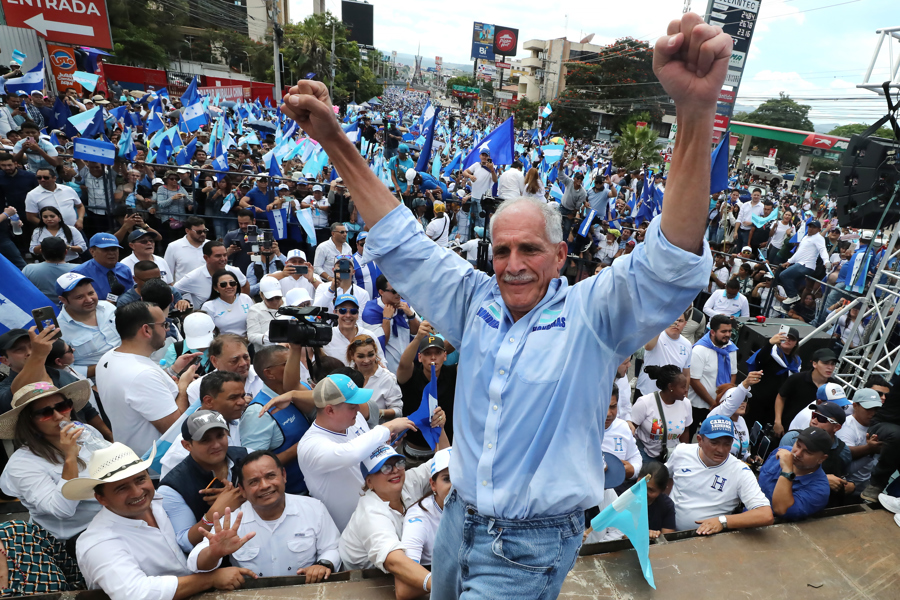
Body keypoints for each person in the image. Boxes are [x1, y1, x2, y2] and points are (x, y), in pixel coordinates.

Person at [280, 16, 728, 596]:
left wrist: (695, 113)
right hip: (457, 520)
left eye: (530, 249)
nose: (513, 263)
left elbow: (670, 260)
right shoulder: (475, 301)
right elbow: (404, 242)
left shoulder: (595, 314)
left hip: (530, 544)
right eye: (501, 250)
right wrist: (335, 141)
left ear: (562, 255)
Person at [61, 442, 257, 600]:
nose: (137, 492)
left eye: (140, 479)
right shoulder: (98, 542)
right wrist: (210, 579)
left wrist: (211, 554)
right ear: (101, 499)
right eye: (122, 488)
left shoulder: (158, 503)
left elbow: (185, 552)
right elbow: (135, 594)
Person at [187, 451, 342, 583]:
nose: (265, 485)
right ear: (242, 489)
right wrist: (214, 553)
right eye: (254, 482)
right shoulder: (231, 520)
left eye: (270, 476)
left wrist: (323, 564)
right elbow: (195, 562)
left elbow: (332, 548)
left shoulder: (314, 508)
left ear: (284, 476)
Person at [295, 373, 416, 531]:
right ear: (330, 410)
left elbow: (365, 454)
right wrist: (387, 428)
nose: (358, 409)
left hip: (382, 516)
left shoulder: (354, 418)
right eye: (352, 406)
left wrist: (384, 444)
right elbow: (350, 454)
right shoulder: (309, 445)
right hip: (350, 534)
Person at [0, 381, 102, 541]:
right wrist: (70, 459)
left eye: (63, 406)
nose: (59, 416)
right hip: (75, 537)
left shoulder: (86, 432)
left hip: (114, 518)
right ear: (29, 422)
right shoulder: (21, 465)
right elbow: (62, 510)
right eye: (45, 412)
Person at [95, 301, 200, 456]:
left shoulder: (108, 358)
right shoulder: (142, 374)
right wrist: (183, 386)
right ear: (146, 330)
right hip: (158, 465)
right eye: (164, 324)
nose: (168, 329)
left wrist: (173, 370)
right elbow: (174, 429)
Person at [338, 445, 438, 594]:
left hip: (400, 568)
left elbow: (442, 463)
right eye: (385, 467)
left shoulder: (406, 481)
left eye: (399, 463)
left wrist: (440, 430)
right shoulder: (371, 513)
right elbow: (394, 561)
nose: (395, 470)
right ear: (369, 482)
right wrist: (442, 586)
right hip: (363, 581)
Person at [158, 410, 248, 553]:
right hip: (217, 565)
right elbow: (184, 543)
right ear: (187, 445)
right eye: (205, 440)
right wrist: (214, 513)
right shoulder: (171, 488)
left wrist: (242, 496)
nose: (216, 445)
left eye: (220, 436)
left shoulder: (247, 456)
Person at [666, 415, 774, 533]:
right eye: (714, 443)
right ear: (700, 440)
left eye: (727, 444)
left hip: (707, 539)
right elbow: (666, 478)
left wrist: (722, 521)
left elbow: (765, 514)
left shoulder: (740, 471)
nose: (721, 450)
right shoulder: (682, 452)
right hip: (667, 531)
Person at [240, 345, 312, 495]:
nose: (294, 366)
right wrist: (303, 445)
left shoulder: (302, 388)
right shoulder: (257, 412)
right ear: (269, 373)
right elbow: (255, 466)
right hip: (295, 495)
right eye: (287, 363)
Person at [397, 330, 455, 463]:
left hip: (445, 452)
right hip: (413, 455)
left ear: (445, 356)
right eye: (427, 354)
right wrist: (418, 338)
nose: (433, 357)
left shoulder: (453, 373)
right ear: (419, 357)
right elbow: (403, 364)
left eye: (438, 353)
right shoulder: (410, 376)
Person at [55, 272, 121, 379]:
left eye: (91, 293)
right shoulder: (58, 331)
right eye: (79, 297)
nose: (89, 300)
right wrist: (107, 366)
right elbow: (65, 369)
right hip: (97, 382)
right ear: (63, 300)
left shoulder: (108, 307)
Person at [757, 426, 831, 520]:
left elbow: (780, 509)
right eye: (798, 445)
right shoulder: (782, 451)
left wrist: (787, 471)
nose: (798, 453)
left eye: (807, 452)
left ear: (822, 459)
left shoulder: (820, 490)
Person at [400, 448, 452, 568]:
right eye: (447, 479)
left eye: (460, 477)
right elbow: (409, 568)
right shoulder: (419, 516)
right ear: (433, 484)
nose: (454, 485)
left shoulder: (480, 508)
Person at [629, 365, 692, 462]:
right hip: (645, 455)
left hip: (671, 456)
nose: (686, 390)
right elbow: (630, 430)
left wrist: (685, 455)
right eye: (683, 387)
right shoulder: (645, 403)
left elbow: (686, 431)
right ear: (671, 387)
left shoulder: (686, 404)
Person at [688, 314, 738, 436]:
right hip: (697, 406)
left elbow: (733, 374)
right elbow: (694, 380)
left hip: (719, 405)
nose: (728, 334)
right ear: (712, 332)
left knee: (712, 440)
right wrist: (713, 403)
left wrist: (724, 399)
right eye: (723, 331)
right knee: (689, 439)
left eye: (730, 331)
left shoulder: (731, 348)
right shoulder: (699, 350)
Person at [742, 329, 801, 430]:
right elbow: (760, 359)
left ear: (796, 343)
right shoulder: (771, 353)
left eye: (792, 339)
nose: (788, 340)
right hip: (758, 401)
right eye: (786, 337)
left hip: (775, 405)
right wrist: (769, 343)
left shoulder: (796, 362)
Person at [362, 275, 420, 373]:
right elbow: (380, 343)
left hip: (409, 365)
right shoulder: (371, 311)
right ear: (381, 292)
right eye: (394, 291)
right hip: (388, 368)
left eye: (399, 289)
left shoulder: (405, 305)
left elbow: (416, 332)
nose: (398, 294)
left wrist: (410, 315)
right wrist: (386, 319)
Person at [774, 348, 837, 437]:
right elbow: (781, 397)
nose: (830, 367)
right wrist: (778, 421)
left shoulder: (834, 386)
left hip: (814, 434)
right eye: (825, 363)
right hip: (788, 429)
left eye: (833, 364)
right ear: (814, 364)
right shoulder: (797, 379)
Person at [174, 241, 249, 307]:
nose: (223, 259)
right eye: (218, 256)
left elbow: (245, 284)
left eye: (225, 255)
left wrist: (240, 303)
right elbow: (173, 291)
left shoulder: (235, 271)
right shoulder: (193, 277)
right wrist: (184, 301)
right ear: (206, 258)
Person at [834, 388, 882, 492]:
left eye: (876, 409)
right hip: (848, 486)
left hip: (867, 483)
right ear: (855, 406)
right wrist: (870, 449)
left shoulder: (878, 425)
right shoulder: (846, 427)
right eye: (868, 409)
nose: (873, 413)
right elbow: (845, 455)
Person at [709, 370, 763, 459]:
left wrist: (749, 458)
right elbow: (730, 405)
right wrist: (745, 384)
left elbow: (742, 451)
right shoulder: (717, 416)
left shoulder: (741, 421)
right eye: (738, 399)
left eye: (745, 399)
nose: (742, 402)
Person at [635, 313, 691, 397]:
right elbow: (648, 347)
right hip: (646, 392)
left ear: (685, 323)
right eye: (673, 319)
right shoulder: (657, 335)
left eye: (680, 321)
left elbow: (686, 374)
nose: (676, 323)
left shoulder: (687, 344)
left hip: (669, 396)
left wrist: (684, 394)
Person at [348, 333, 403, 420]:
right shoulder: (347, 375)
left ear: (376, 353)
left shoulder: (387, 378)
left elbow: (398, 411)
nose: (366, 360)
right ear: (352, 356)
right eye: (361, 356)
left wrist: (373, 412)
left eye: (370, 355)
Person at [72, 233, 134, 303]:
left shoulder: (124, 269)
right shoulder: (79, 273)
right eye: (105, 249)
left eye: (114, 249)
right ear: (92, 251)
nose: (111, 253)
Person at [322, 294, 382, 365]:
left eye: (353, 311)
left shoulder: (369, 335)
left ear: (357, 314)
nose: (348, 315)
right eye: (342, 311)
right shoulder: (327, 336)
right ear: (335, 312)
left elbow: (382, 363)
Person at [601, 386, 642, 488]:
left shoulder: (623, 427)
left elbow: (635, 456)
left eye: (613, 406)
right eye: (604, 406)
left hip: (616, 491)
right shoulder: (580, 430)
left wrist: (632, 470)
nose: (608, 413)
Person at [779, 220, 828, 305]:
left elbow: (823, 250)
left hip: (806, 265)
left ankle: (793, 296)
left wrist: (826, 261)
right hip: (800, 264)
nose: (810, 229)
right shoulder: (805, 237)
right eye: (810, 226)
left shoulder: (819, 238)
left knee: (783, 275)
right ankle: (788, 306)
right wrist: (789, 261)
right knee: (793, 283)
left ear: (819, 230)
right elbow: (799, 253)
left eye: (813, 227)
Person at [23, 236, 76, 303]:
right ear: (66, 252)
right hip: (72, 310)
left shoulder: (29, 269)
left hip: (41, 310)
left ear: (41, 251)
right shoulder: (79, 270)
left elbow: (21, 290)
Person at [200, 270, 252, 336]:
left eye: (232, 283)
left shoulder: (245, 298)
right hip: (221, 343)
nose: (229, 286)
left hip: (247, 342)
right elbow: (208, 332)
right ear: (216, 288)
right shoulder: (208, 306)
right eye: (223, 285)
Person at [164, 217, 208, 282]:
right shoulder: (173, 246)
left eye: (205, 231)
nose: (203, 234)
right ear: (187, 231)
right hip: (182, 291)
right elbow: (168, 272)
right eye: (199, 232)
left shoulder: (210, 245)